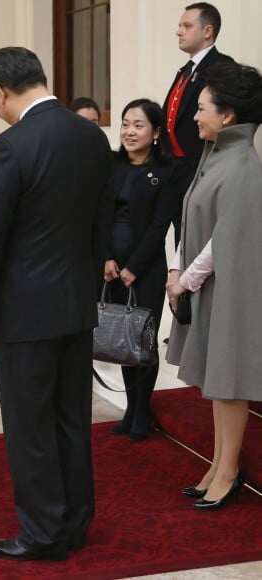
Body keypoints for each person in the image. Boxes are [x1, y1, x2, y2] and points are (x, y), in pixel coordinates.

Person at [0, 47, 113, 561]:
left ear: (0, 91)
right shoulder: (91, 136)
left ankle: (43, 534)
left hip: (24, 311)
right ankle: (74, 520)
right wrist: (87, 284)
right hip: (75, 303)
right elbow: (102, 222)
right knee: (71, 417)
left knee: (29, 427)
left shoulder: (10, 145)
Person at [166, 61, 262, 510]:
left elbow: (225, 238)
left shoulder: (241, 163)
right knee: (217, 383)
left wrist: (185, 280)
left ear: (227, 116)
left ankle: (228, 470)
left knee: (229, 381)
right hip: (211, 285)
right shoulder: (216, 155)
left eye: (201, 108)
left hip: (230, 287)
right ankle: (219, 464)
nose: (195, 116)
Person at [104, 99, 183, 441]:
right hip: (110, 267)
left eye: (138, 125)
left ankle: (141, 410)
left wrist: (135, 266)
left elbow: (159, 225)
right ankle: (130, 407)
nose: (129, 131)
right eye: (125, 124)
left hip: (146, 268)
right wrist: (105, 259)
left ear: (154, 133)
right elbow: (98, 217)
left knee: (142, 339)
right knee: (121, 338)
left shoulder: (167, 171)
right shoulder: (110, 165)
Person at [163, 2, 233, 245]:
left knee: (198, 241)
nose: (178, 31)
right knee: (180, 241)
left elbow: (228, 120)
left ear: (207, 31)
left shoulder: (222, 67)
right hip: (175, 170)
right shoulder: (185, 69)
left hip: (202, 168)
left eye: (186, 25)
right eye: (180, 25)